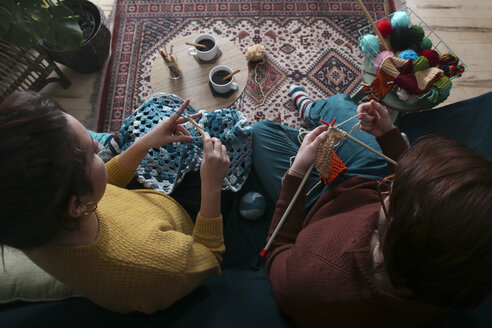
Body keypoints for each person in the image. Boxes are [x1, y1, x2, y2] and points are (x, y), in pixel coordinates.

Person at [251, 86, 492, 327]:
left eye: (394, 193)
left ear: (397, 230)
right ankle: (311, 109)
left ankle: (310, 120)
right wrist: (388, 136)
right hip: (370, 178)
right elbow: (419, 194)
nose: (391, 188)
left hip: (315, 210)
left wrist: (296, 174)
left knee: (262, 131)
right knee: (340, 104)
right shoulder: (457, 271)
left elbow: (278, 252)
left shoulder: (313, 278)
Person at [0, 91, 230, 314]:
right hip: (190, 235)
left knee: (156, 111)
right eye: (92, 153)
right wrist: (211, 186)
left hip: (152, 209)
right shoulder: (157, 265)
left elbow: (104, 189)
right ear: (77, 205)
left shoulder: (30, 222)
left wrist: (142, 144)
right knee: (252, 136)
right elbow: (209, 256)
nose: (100, 146)